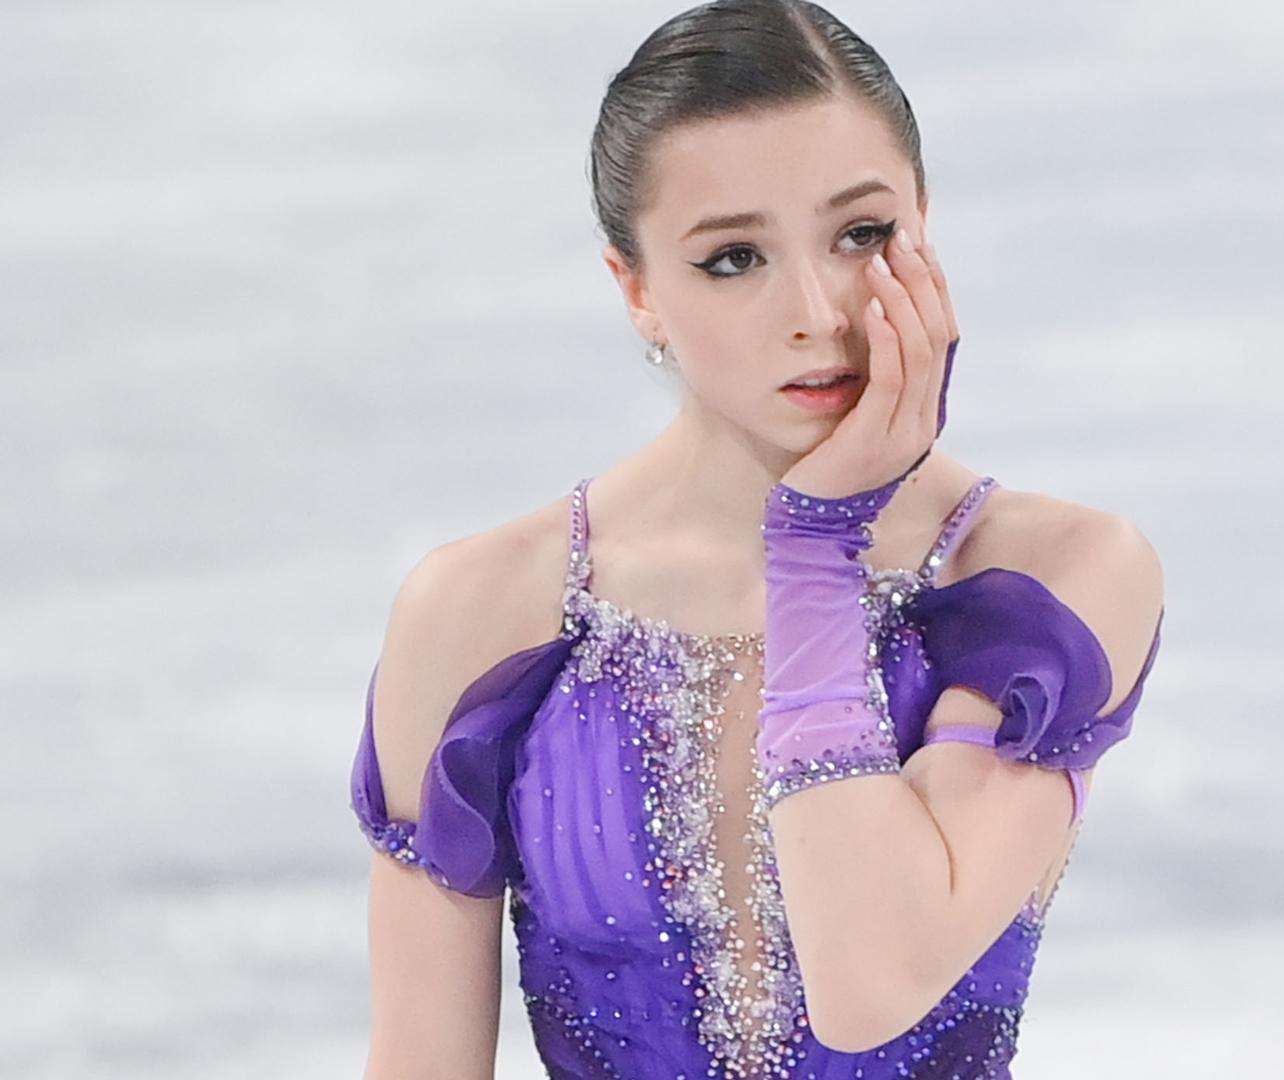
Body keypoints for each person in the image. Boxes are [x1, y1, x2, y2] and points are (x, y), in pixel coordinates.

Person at [349, 2, 1166, 1077]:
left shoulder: (1044, 581)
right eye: (734, 258)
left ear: (924, 225)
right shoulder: (483, 611)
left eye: (862, 235)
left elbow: (872, 981)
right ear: (638, 290)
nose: (819, 311)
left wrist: (817, 552)